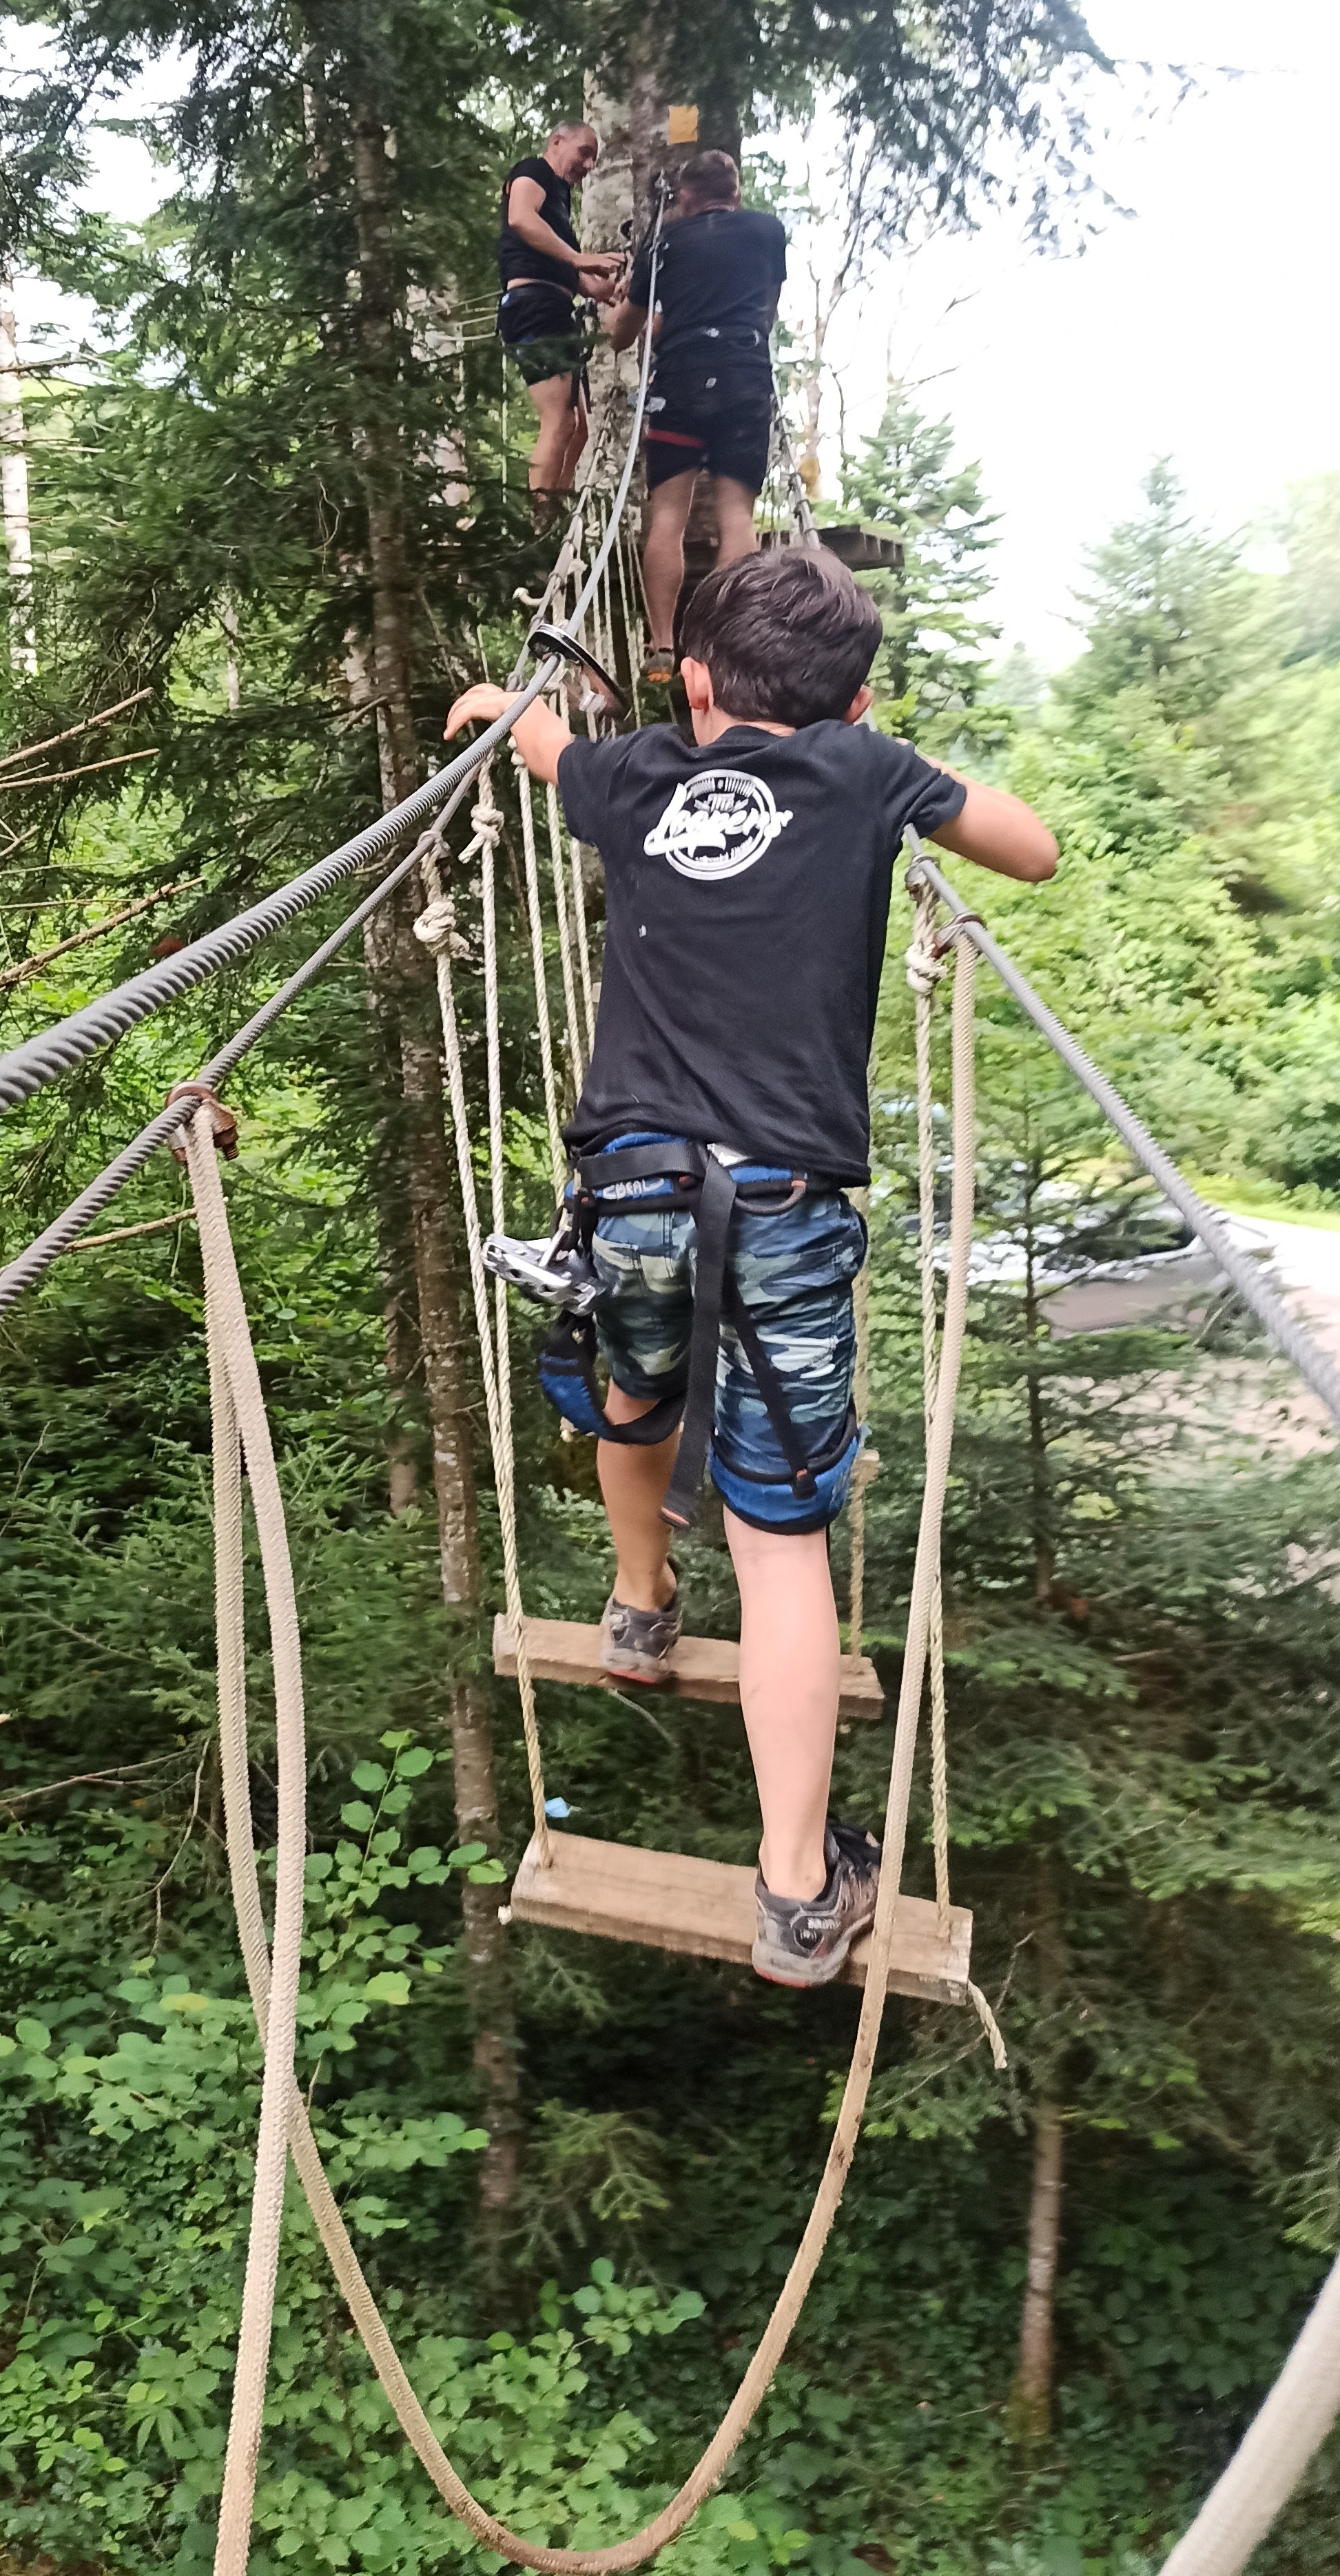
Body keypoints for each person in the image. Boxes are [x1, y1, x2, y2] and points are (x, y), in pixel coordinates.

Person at [444, 550, 1057, 1986]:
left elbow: (546, 748)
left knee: (633, 1398)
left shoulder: (633, 774)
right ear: (852, 704)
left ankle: (637, 1601)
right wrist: (885, 763)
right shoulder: (865, 771)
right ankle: (793, 1887)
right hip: (778, 1203)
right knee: (780, 1546)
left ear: (691, 682)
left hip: (631, 1189)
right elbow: (1029, 848)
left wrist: (501, 705)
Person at [604, 147, 786, 688]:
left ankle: (662, 645)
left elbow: (623, 335)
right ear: (736, 193)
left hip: (679, 384)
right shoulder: (768, 232)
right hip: (744, 378)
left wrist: (619, 305)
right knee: (736, 516)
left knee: (668, 516)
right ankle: (729, 640)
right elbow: (765, 313)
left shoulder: (663, 243)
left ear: (684, 198)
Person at [498, 123, 628, 526]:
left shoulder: (559, 203)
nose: (587, 165)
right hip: (532, 305)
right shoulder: (533, 171)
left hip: (554, 307)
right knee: (559, 421)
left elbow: (581, 280)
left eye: (594, 160)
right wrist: (579, 258)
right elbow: (520, 218)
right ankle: (540, 523)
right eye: (583, 152)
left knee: (579, 429)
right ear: (557, 141)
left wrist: (617, 289)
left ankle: (555, 514)